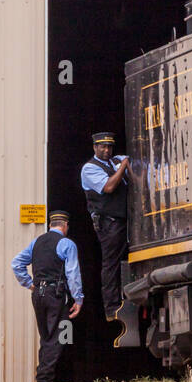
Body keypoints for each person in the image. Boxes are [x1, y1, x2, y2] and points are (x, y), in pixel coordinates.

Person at [11, 210, 83, 382]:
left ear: (50, 225)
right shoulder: (66, 243)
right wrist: (78, 299)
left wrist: (29, 284)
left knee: (46, 336)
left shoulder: (36, 242)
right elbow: (73, 274)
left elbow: (16, 263)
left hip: (38, 295)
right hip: (55, 294)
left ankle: (43, 379)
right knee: (60, 336)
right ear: (65, 226)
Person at [81, 132, 129, 321]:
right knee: (111, 264)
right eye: (103, 147)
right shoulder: (89, 168)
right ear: (95, 147)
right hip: (109, 222)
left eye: (109, 147)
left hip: (122, 220)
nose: (107, 150)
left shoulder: (114, 162)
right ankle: (111, 307)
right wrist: (123, 166)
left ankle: (126, 298)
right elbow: (108, 187)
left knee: (124, 261)